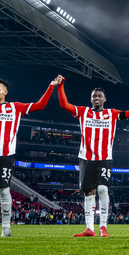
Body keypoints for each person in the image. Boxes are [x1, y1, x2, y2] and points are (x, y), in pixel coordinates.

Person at [57, 75, 129, 237]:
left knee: (102, 189)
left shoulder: (112, 114)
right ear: (90, 99)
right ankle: (89, 228)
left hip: (104, 158)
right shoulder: (83, 112)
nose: (96, 98)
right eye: (94, 96)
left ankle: (103, 226)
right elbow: (64, 104)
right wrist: (61, 86)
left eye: (99, 96)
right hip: (86, 158)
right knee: (88, 193)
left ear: (104, 99)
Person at [0, 76, 59, 237]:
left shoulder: (14, 108)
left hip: (4, 156)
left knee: (4, 191)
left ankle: (6, 228)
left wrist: (51, 86)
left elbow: (40, 105)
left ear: (6, 91)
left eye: (0, 87)